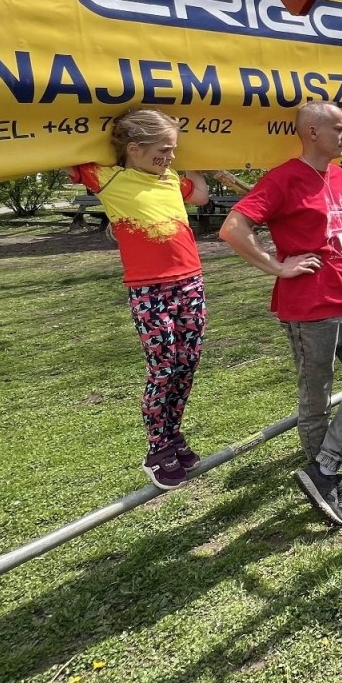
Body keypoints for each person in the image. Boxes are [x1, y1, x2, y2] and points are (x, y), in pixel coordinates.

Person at [219, 101, 342, 527]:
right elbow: (233, 229)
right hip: (310, 308)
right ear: (312, 132)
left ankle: (325, 467)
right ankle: (330, 483)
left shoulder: (335, 174)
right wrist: (279, 267)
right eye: (339, 128)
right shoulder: (282, 179)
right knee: (315, 399)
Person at [69, 108, 212, 490]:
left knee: (187, 364)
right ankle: (157, 448)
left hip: (190, 284)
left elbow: (200, 194)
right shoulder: (108, 177)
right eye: (163, 149)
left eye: (174, 150)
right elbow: (62, 153)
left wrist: (196, 160)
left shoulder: (169, 179)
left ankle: (173, 434)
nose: (170, 157)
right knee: (164, 367)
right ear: (133, 148)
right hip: (150, 290)